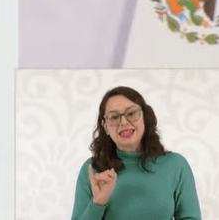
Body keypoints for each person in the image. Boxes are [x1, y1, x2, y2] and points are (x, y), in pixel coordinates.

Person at [71, 86, 201, 220]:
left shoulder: (176, 165)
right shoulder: (92, 170)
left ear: (144, 117)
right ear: (105, 127)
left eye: (131, 114)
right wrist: (98, 203)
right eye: (114, 117)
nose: (124, 122)